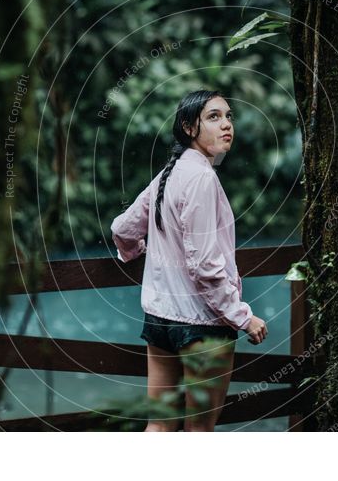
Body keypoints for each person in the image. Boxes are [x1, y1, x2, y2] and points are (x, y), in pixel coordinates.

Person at [111, 89, 268, 432]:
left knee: (160, 427)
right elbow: (205, 267)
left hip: (160, 319)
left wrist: (135, 253)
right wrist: (243, 317)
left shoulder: (171, 172)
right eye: (213, 117)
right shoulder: (201, 178)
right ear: (188, 126)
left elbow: (123, 228)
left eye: (229, 116)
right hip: (202, 325)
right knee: (199, 431)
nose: (226, 124)